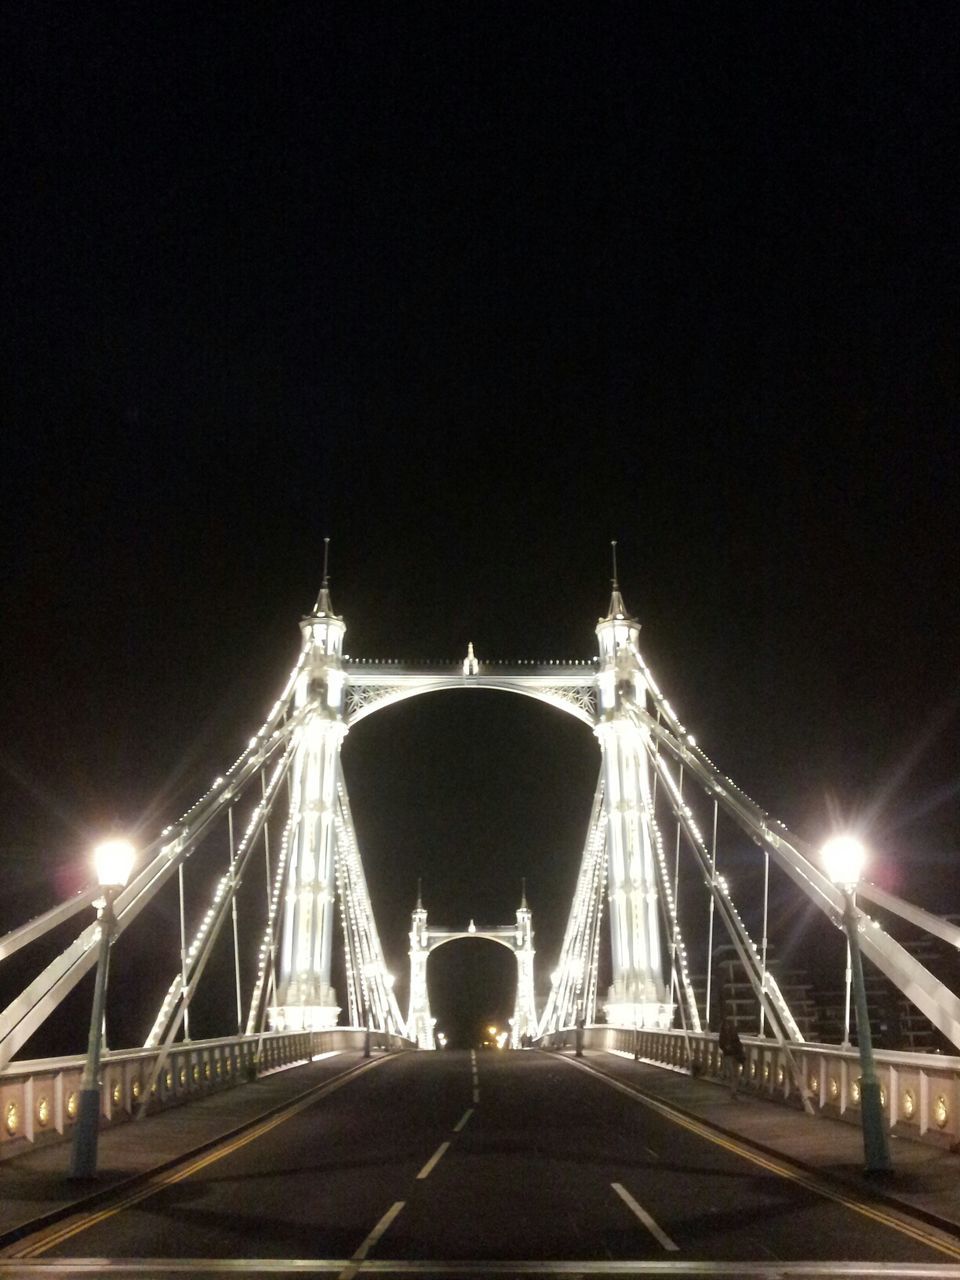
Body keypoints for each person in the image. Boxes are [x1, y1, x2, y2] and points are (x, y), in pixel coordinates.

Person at [718, 1017, 745, 1097]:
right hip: (730, 1055)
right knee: (733, 1074)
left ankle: (734, 1090)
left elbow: (721, 1045)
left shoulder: (725, 1035)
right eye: (726, 1025)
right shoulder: (730, 1034)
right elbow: (722, 1045)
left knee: (734, 1074)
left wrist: (727, 1047)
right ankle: (733, 1091)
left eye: (728, 1024)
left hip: (733, 1055)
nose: (727, 1026)